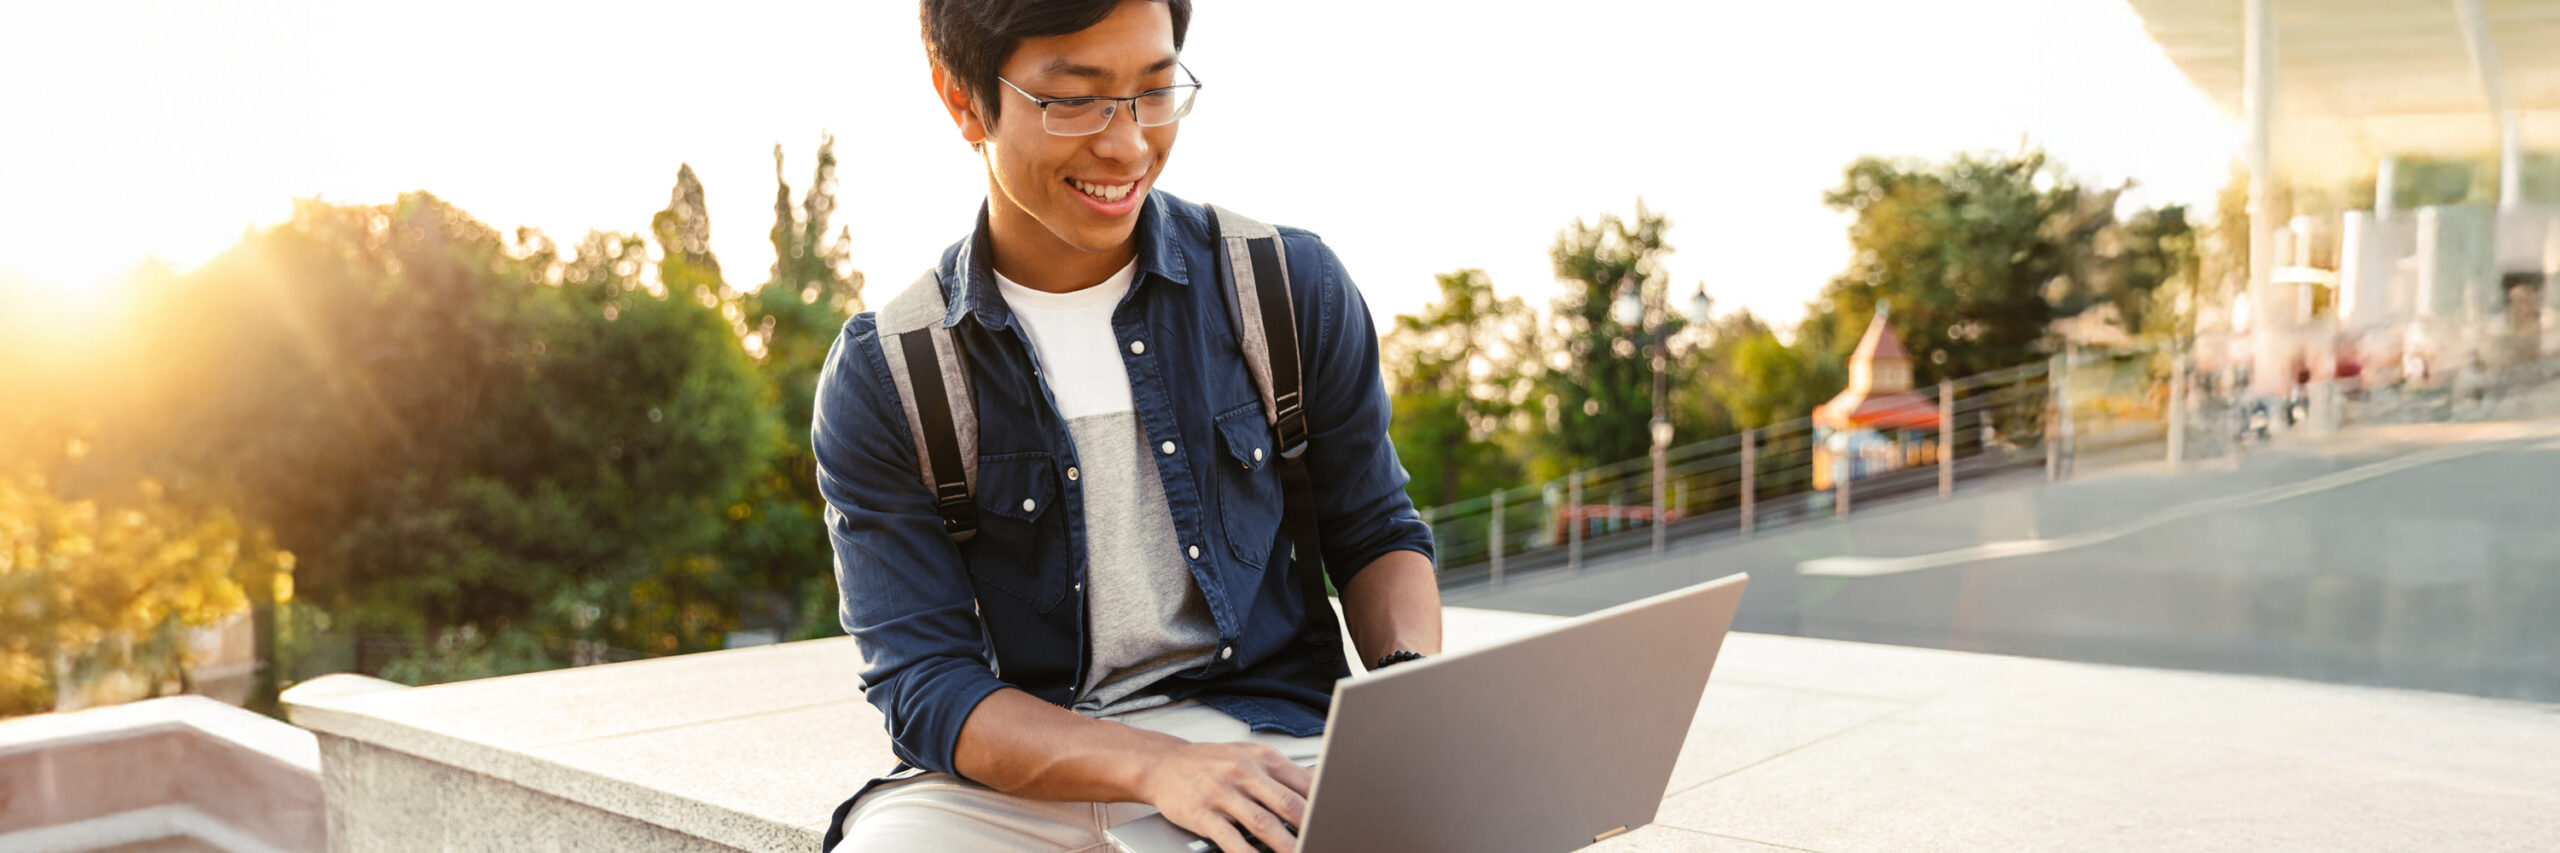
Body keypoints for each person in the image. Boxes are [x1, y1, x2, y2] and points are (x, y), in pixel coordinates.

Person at [809, 2, 1442, 851]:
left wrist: (1414, 697)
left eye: (1153, 91)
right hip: (1016, 776)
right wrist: (1153, 763)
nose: (1128, 145)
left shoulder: (1287, 288)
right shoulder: (889, 375)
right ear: (962, 100)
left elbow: (1374, 530)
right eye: (1074, 101)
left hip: (1266, 739)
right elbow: (926, 686)